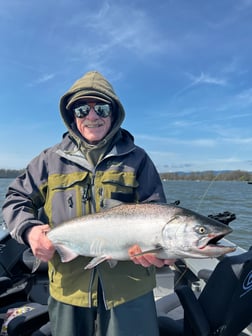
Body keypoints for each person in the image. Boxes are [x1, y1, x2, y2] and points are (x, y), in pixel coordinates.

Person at [2, 71, 173, 336]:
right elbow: (15, 198)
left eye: (101, 108)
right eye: (82, 109)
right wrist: (30, 230)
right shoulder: (48, 160)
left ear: (114, 113)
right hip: (68, 289)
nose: (92, 116)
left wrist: (158, 252)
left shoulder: (138, 159)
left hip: (130, 289)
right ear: (73, 117)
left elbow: (159, 215)